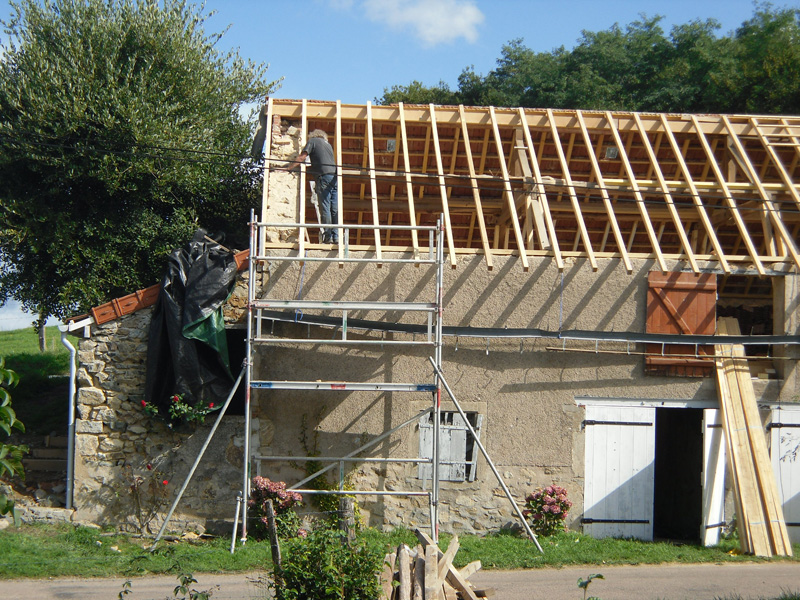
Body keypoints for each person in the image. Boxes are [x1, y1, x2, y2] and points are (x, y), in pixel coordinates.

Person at [284, 129, 338, 244]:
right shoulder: (328, 145)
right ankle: (336, 236)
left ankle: (327, 236)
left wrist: (290, 167)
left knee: (325, 207)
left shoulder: (312, 141)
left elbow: (302, 157)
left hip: (323, 177)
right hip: (334, 177)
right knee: (334, 208)